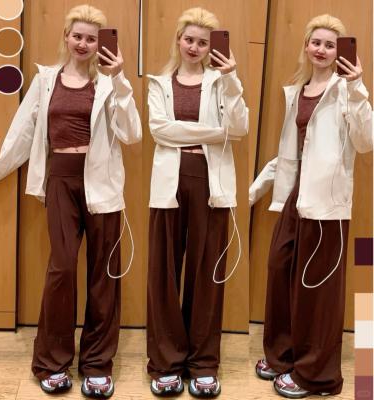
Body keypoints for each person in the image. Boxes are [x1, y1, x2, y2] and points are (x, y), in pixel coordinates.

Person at [0, 4, 141, 398]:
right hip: (61, 181)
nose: (83, 43)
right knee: (62, 269)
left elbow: (131, 133)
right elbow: (21, 133)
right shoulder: (46, 80)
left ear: (101, 44)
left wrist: (119, 79)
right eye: (77, 35)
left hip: (102, 183)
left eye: (91, 38)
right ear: (66, 37)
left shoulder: (108, 84)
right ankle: (52, 361)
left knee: (104, 274)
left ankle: (97, 364)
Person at [250, 14, 372, 398]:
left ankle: (316, 375)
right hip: (295, 196)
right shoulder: (298, 90)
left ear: (340, 52)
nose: (321, 49)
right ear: (306, 45)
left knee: (317, 290)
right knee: (280, 271)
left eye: (330, 45)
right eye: (316, 42)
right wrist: (256, 188)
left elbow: (366, 141)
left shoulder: (347, 90)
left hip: (327, 205)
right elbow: (291, 151)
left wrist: (357, 88)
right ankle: (284, 354)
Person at [146, 7, 248, 398]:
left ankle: (204, 363)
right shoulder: (159, 84)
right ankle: (165, 362)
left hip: (211, 184)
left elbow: (238, 128)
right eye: (189, 39)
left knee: (207, 273)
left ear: (211, 48)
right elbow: (160, 131)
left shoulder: (223, 82)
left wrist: (232, 78)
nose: (194, 47)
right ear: (178, 40)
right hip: (169, 184)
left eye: (203, 42)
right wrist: (215, 132)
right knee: (164, 273)